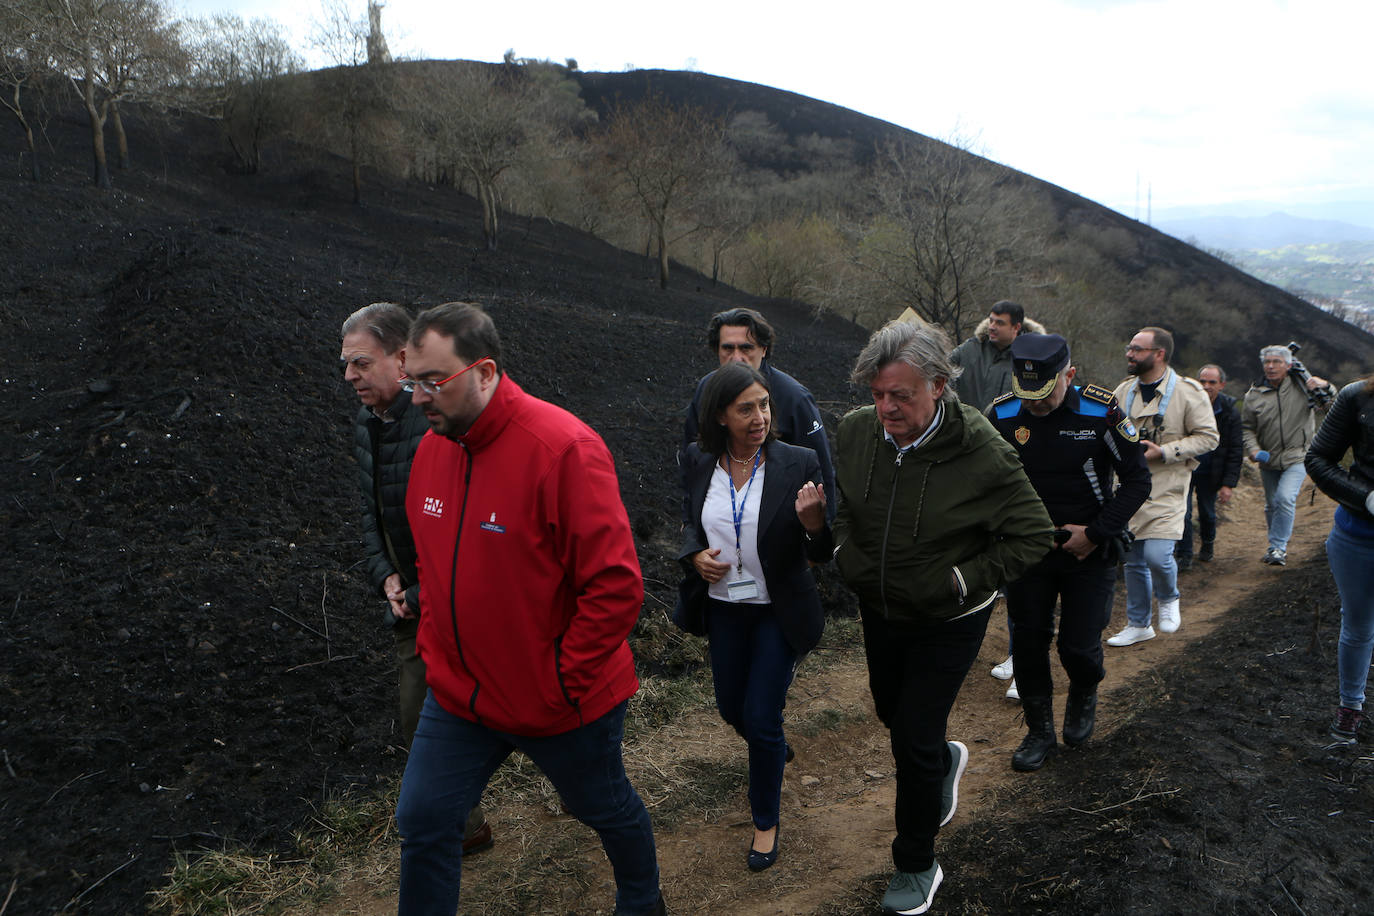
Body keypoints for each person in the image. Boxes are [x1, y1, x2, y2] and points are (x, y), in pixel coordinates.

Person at [393, 302, 663, 916]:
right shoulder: (434, 451)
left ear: (484, 372)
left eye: (434, 381)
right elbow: (431, 569)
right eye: (412, 381)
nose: (418, 398)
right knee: (425, 818)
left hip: (557, 700)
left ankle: (643, 900)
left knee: (600, 805)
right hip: (460, 698)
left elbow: (617, 587)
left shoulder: (562, 449)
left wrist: (558, 681)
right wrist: (438, 652)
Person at [833, 320, 1052, 915]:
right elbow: (845, 506)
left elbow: (1033, 534)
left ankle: (916, 862)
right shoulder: (857, 433)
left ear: (937, 386)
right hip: (881, 607)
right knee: (890, 711)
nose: (886, 407)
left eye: (900, 395)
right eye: (878, 394)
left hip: (951, 617)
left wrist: (961, 579)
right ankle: (943, 762)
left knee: (913, 733)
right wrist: (841, 552)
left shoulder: (980, 449)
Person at [340, 302, 492, 855]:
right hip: (412, 606)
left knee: (517, 710)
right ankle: (465, 830)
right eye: (346, 365)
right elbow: (370, 513)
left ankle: (585, 788)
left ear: (400, 360)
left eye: (360, 363)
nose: (349, 377)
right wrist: (387, 579)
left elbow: (465, 525)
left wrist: (425, 589)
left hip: (460, 598)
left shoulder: (436, 423)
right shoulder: (367, 424)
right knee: (419, 721)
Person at [678, 362, 833, 871]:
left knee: (762, 717)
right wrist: (694, 556)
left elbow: (823, 549)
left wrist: (813, 525)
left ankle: (765, 821)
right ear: (720, 415)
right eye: (746, 408)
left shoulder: (798, 462)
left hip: (778, 609)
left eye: (764, 405)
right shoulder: (700, 460)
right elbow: (692, 522)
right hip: (725, 607)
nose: (759, 416)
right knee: (731, 708)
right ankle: (771, 746)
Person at [987, 334, 1150, 771]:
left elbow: (1137, 481)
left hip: (1088, 552)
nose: (1036, 404)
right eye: (1028, 395)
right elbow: (986, 483)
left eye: (1046, 393)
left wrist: (1096, 533)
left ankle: (1083, 691)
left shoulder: (1102, 412)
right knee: (1027, 640)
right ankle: (1039, 731)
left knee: (1078, 646)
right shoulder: (1002, 415)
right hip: (1026, 551)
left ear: (1069, 375)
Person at [948, 299, 1046, 693]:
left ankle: (1019, 657)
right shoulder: (969, 351)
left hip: (1016, 459)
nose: (992, 327)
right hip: (968, 455)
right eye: (990, 320)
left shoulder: (1033, 355)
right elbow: (941, 375)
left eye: (1000, 323)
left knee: (1022, 569)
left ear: (1017, 328)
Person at [1107, 327, 1218, 646]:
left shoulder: (1187, 391)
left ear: (1159, 354)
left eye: (1137, 349)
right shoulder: (1123, 390)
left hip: (1168, 485)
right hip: (1128, 486)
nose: (1129, 354)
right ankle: (1138, 622)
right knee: (1133, 557)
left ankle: (1169, 598)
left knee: (1156, 555)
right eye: (1129, 348)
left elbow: (1209, 438)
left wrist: (1166, 451)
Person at [682, 307, 835, 521]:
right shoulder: (706, 390)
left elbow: (823, 476)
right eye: (727, 348)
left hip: (777, 529)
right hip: (717, 524)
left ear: (764, 349)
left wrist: (822, 540)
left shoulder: (794, 399)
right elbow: (692, 460)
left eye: (746, 348)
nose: (737, 357)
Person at [1305, 373, 1374, 743]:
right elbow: (1317, 459)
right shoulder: (1357, 396)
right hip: (1358, 536)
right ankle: (1350, 707)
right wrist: (1365, 497)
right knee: (1359, 624)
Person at [1242, 345, 1335, 566]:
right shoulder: (1254, 395)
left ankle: (1277, 548)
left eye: (1277, 362)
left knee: (1284, 498)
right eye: (1267, 362)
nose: (1271, 366)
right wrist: (1253, 449)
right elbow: (1246, 427)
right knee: (1272, 504)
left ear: (1288, 365)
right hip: (1268, 459)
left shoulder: (1303, 387)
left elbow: (1332, 400)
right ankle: (1275, 545)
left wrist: (1324, 384)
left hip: (1299, 456)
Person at [1176, 364, 1243, 570]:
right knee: (1183, 513)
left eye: (1212, 382)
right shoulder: (1185, 404)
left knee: (1207, 513)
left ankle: (1207, 544)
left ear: (1221, 385)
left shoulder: (1230, 412)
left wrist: (1228, 484)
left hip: (1212, 473)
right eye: (1202, 381)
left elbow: (1235, 450)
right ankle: (1184, 554)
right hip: (1185, 468)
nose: (1206, 386)